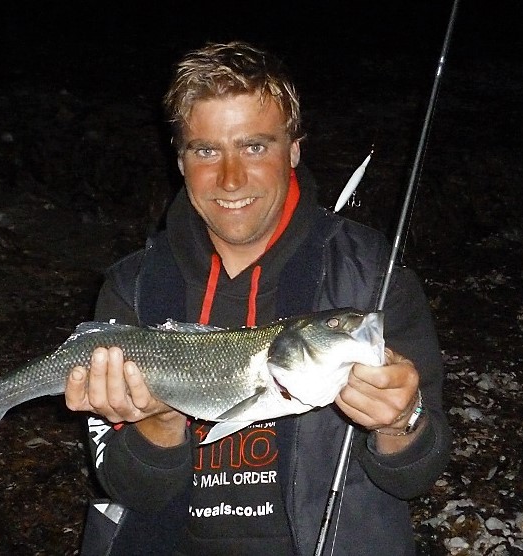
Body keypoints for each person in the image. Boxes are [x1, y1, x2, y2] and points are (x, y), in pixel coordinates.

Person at [65, 41, 451, 556]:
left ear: (293, 149)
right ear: (179, 160)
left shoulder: (368, 278)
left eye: (254, 147)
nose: (230, 179)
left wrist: (400, 423)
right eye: (206, 151)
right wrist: (159, 420)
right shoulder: (133, 286)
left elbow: (415, 477)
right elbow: (130, 490)